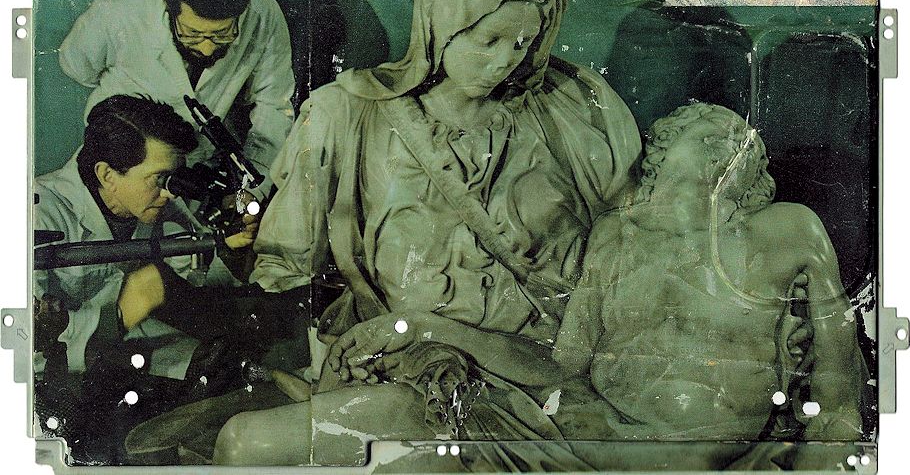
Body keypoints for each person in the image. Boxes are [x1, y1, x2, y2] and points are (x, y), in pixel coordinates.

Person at [210, 0, 641, 467]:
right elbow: (282, 276)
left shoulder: (574, 112)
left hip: (548, 389)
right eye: (486, 39)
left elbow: (636, 264)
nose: (504, 60)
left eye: (522, 41)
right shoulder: (346, 116)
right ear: (439, 19)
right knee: (246, 443)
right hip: (415, 375)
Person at [280, 103, 866, 471]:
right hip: (572, 436)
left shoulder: (786, 231)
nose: (730, 146)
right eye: (702, 136)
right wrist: (423, 328)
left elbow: (840, 394)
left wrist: (830, 450)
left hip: (675, 458)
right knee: (274, 441)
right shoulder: (615, 236)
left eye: (742, 146)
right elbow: (560, 369)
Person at [34, 95, 261, 462]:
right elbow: (27, 352)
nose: (169, 192)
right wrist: (123, 312)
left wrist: (233, 247)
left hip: (131, 367)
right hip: (62, 396)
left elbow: (207, 282)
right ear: (107, 175)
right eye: (159, 179)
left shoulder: (153, 202)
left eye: (173, 178)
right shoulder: (38, 213)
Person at [58, 0, 294, 198]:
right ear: (168, 5)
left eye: (222, 34)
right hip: (122, 168)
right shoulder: (116, 13)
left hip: (198, 172)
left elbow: (274, 108)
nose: (206, 49)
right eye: (192, 34)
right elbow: (76, 66)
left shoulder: (264, 14)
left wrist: (251, 190)